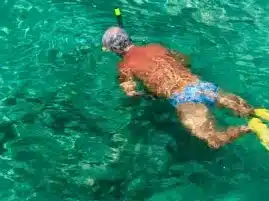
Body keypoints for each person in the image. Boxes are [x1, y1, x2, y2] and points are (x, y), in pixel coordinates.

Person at [101, 26, 254, 149]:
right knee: (247, 111)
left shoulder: (124, 66)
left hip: (183, 98)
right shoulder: (156, 47)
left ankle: (246, 129)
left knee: (213, 140)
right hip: (200, 85)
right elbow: (185, 60)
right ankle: (255, 117)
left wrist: (149, 95)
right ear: (128, 38)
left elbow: (131, 93)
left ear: (114, 50)